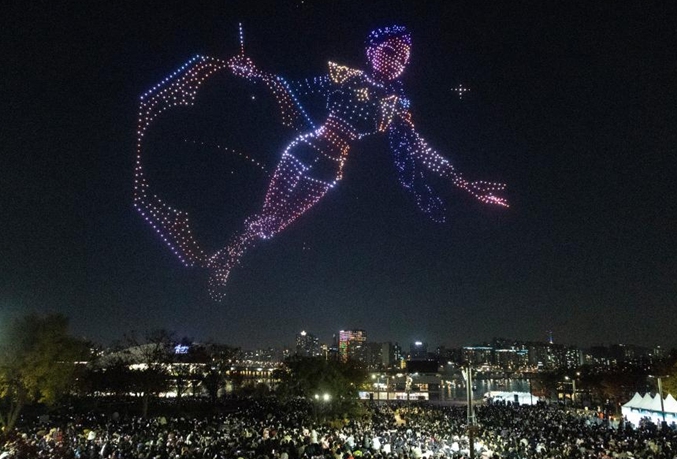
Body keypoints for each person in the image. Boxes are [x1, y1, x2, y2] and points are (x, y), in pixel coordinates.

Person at [208, 25, 507, 298]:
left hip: (329, 169)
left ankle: (227, 256)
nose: (395, 62)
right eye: (389, 52)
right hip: (306, 148)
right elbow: (295, 86)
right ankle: (227, 259)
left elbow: (419, 148)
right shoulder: (345, 77)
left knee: (270, 227)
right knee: (267, 215)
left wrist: (464, 184)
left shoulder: (395, 106)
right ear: (371, 51)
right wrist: (255, 73)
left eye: (402, 60)